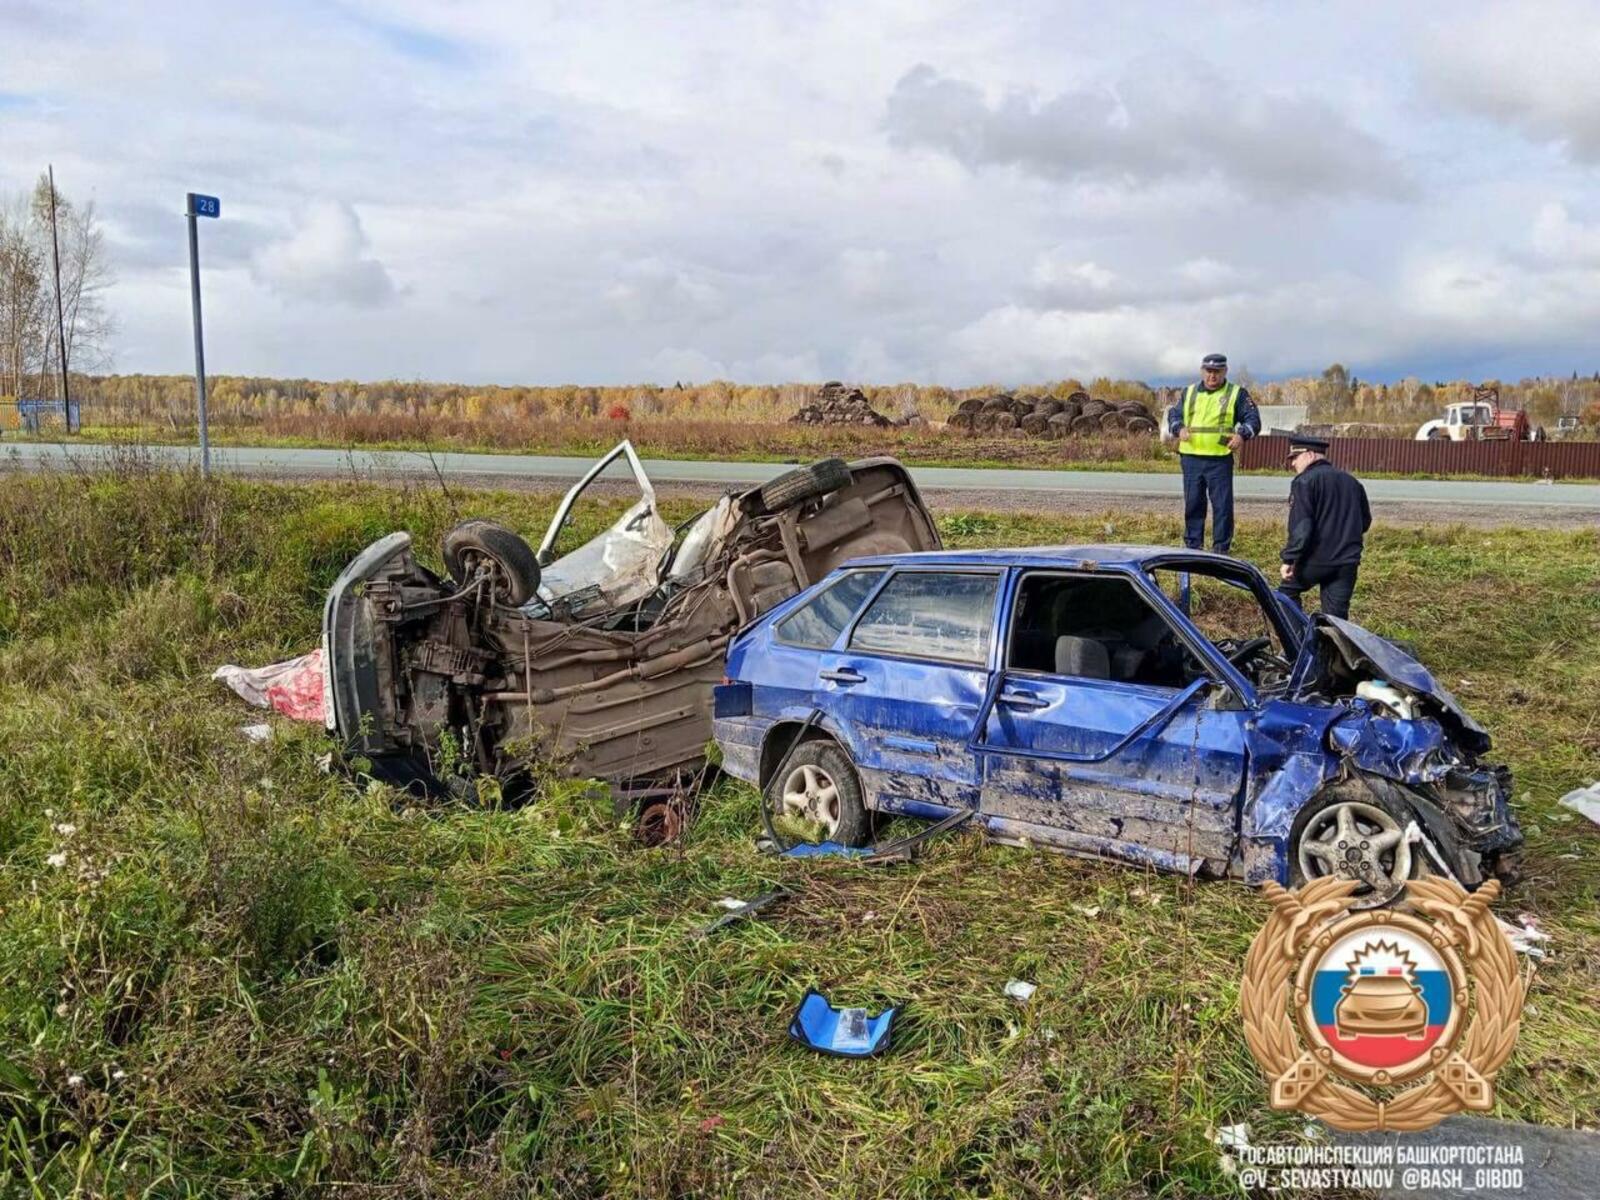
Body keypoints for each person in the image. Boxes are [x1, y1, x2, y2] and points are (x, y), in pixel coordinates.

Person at [1168, 352, 1260, 555]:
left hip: (1219, 459)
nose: (1212, 376)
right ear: (1202, 371)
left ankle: (1220, 550)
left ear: (1225, 371)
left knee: (1222, 507)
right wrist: (1178, 428)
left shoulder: (1237, 393)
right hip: (1191, 458)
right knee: (1193, 504)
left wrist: (1242, 435)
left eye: (1217, 372)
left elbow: (1253, 419)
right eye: (1209, 371)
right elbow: (1174, 414)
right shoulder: (1189, 392)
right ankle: (1193, 548)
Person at [1278, 434, 1371, 620]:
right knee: (1336, 620)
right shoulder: (1352, 482)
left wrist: (1289, 559)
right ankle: (1329, 649)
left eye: (1295, 457)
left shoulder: (1304, 482)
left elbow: (1302, 527)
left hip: (1316, 561)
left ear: (1310, 455)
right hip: (1347, 562)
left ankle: (1300, 642)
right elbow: (1365, 521)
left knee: (1283, 597)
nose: (1292, 463)